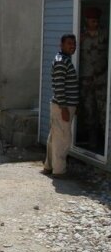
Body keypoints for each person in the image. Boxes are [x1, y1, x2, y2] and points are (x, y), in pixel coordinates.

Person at [43, 34, 79, 179]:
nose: (72, 46)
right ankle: (59, 171)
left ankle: (49, 166)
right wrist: (64, 108)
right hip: (61, 107)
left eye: (74, 44)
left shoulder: (65, 60)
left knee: (55, 137)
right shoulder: (61, 62)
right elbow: (59, 87)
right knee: (62, 139)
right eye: (69, 43)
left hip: (63, 106)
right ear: (61, 45)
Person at [78, 7, 108, 148]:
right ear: (86, 21)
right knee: (89, 111)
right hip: (86, 81)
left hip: (102, 80)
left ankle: (106, 142)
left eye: (96, 21)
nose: (95, 23)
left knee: (104, 111)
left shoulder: (105, 34)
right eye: (92, 21)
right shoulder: (80, 37)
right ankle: (92, 141)